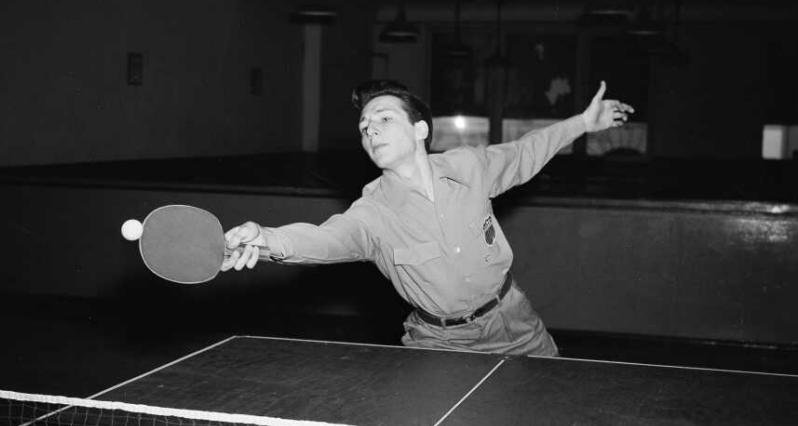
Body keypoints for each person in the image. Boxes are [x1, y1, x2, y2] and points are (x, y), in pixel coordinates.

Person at [221, 79, 634, 357]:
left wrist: (583, 122)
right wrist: (266, 239)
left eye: (384, 119)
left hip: (515, 320)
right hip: (441, 342)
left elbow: (526, 152)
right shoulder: (372, 213)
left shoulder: (469, 167)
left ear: (420, 130)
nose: (371, 132)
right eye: (365, 128)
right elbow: (325, 239)